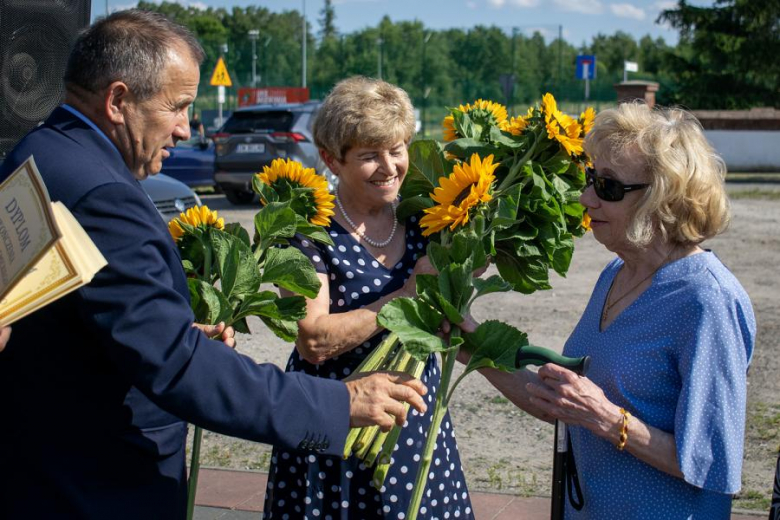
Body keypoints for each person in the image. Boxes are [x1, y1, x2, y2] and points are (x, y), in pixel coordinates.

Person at [0, 11, 427, 520]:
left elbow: (74, 318)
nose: (186, 128)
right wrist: (337, 404)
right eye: (177, 106)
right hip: (94, 482)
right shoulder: (105, 196)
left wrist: (166, 329)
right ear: (117, 101)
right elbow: (179, 368)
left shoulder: (40, 149)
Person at [489, 102, 755, 518]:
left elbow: (711, 464)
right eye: (591, 178)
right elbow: (570, 406)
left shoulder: (708, 300)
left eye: (608, 187)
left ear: (663, 198)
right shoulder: (618, 271)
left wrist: (607, 419)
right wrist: (469, 346)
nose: (586, 197)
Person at [262, 76, 475, 519]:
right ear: (330, 159)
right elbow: (314, 340)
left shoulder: (423, 222)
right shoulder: (306, 231)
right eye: (369, 156)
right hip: (335, 425)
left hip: (411, 425)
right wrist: (407, 296)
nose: (389, 166)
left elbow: (447, 323)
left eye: (397, 150)